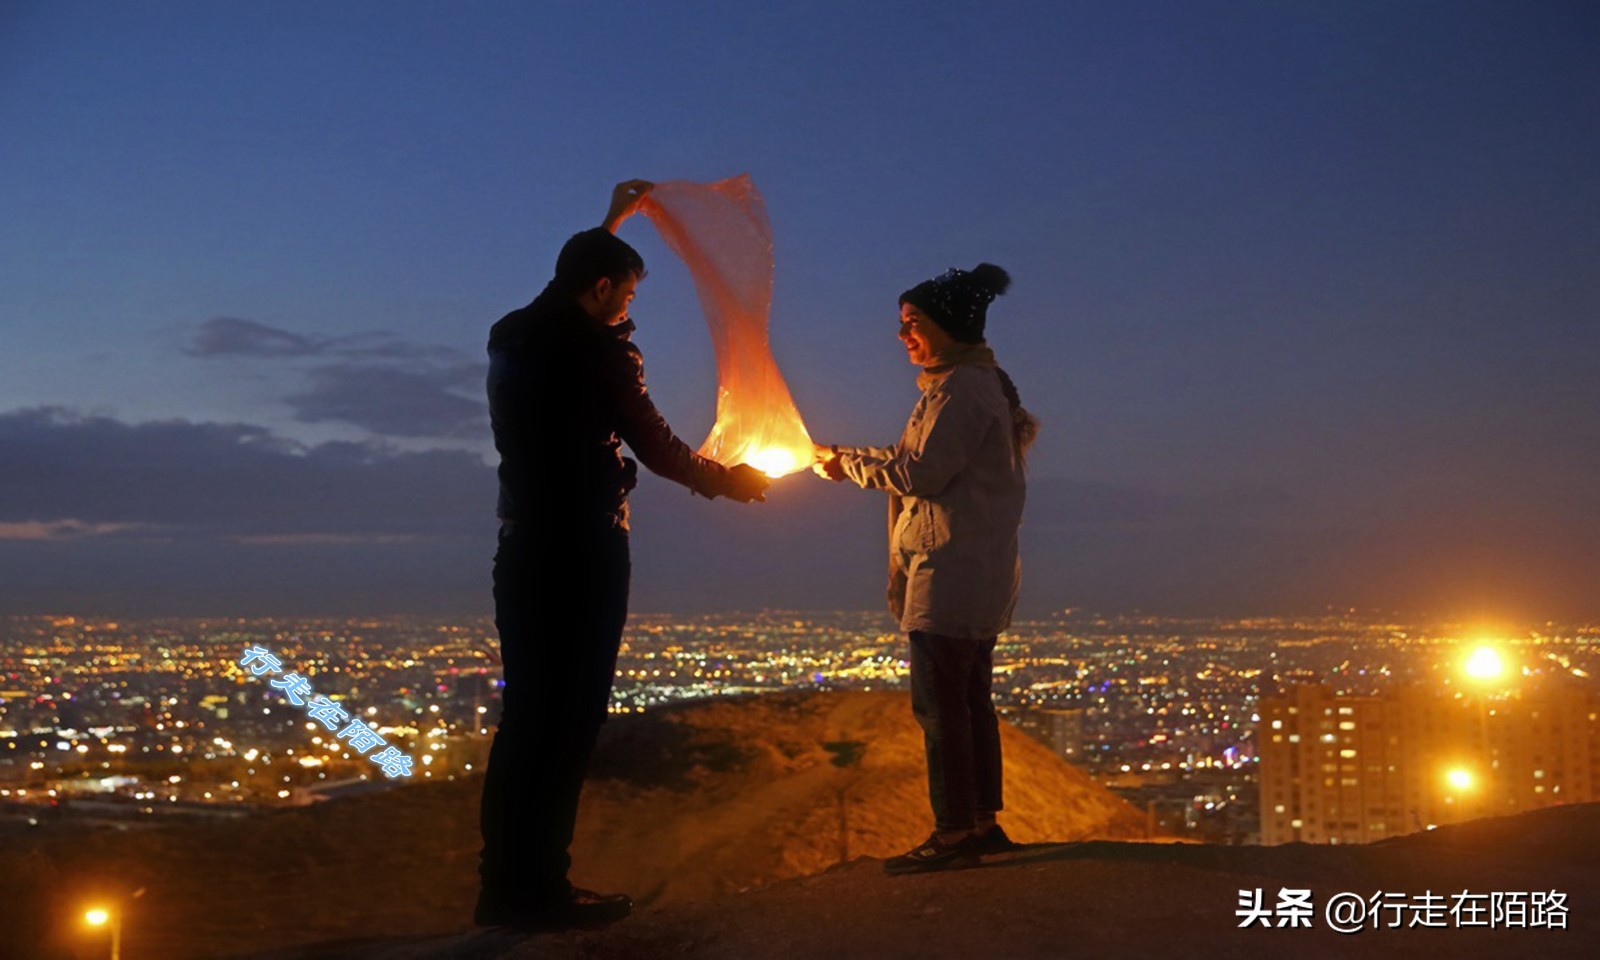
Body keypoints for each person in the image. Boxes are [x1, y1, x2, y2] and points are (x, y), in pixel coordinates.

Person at [477, 180, 770, 930]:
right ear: (603, 289)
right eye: (627, 295)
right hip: (585, 549)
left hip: (522, 546)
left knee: (526, 720)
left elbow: (567, 279)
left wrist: (611, 222)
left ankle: (504, 886)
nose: (630, 309)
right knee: (572, 718)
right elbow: (654, 442)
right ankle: (544, 891)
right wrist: (728, 484)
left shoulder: (510, 333)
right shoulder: (602, 350)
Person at [813, 263, 1037, 874]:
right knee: (970, 704)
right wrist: (846, 456)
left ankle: (955, 832)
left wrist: (847, 467)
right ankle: (982, 823)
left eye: (913, 323)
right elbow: (915, 458)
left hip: (951, 570)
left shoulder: (962, 391)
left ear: (949, 328)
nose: (903, 335)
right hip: (970, 569)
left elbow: (919, 473)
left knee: (942, 709)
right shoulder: (959, 387)